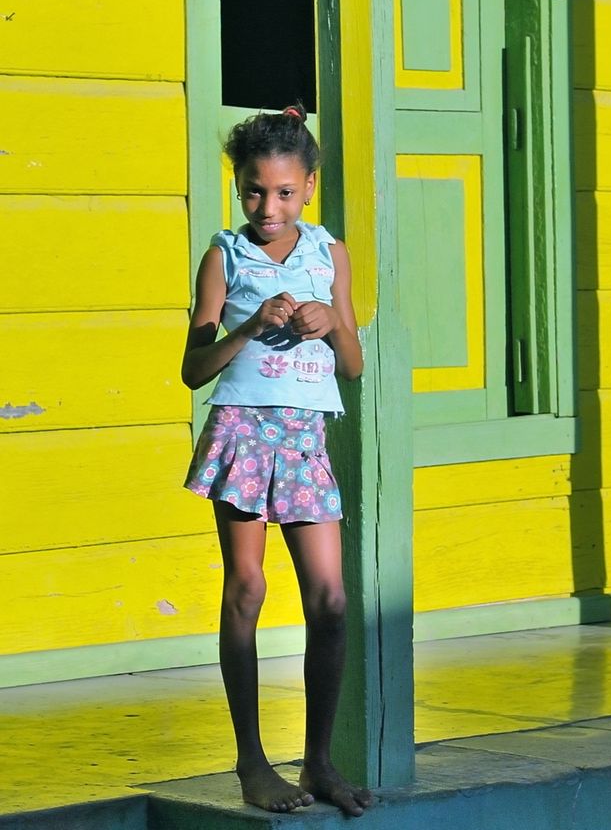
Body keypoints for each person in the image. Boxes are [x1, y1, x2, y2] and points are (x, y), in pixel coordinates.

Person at [181, 104, 372, 817]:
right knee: (247, 590)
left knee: (330, 602)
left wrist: (327, 327)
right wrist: (253, 325)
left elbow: (351, 363)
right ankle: (253, 763)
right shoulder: (224, 256)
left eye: (285, 192)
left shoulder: (330, 253)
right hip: (243, 433)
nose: (269, 206)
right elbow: (194, 370)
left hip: (304, 440)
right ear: (238, 186)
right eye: (254, 190)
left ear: (310, 188)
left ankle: (318, 761)